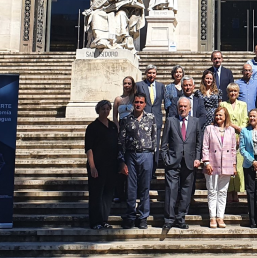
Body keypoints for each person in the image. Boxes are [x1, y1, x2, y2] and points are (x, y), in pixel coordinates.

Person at [160, 97, 203, 230]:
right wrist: (166, 159)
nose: (183, 109)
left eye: (185, 106)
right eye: (180, 106)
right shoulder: (171, 121)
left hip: (189, 162)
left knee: (186, 192)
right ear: (177, 108)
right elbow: (164, 144)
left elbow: (198, 143)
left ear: (190, 108)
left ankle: (181, 218)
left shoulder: (195, 122)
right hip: (173, 162)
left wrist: (197, 158)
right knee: (171, 191)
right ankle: (169, 219)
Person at [118, 93, 157, 229]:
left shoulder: (151, 118)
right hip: (131, 155)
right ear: (133, 103)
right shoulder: (126, 120)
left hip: (146, 155)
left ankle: (143, 217)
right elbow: (121, 142)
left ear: (145, 104)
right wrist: (121, 161)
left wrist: (153, 157)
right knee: (130, 188)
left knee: (145, 188)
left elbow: (154, 139)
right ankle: (130, 216)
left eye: (141, 102)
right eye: (136, 102)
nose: (138, 104)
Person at [85, 100, 122, 229]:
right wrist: (92, 166)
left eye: (107, 109)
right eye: (103, 109)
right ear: (98, 110)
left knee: (107, 195)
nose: (105, 111)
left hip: (111, 166)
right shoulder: (92, 127)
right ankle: (95, 221)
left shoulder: (112, 126)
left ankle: (104, 220)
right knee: (96, 194)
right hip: (97, 165)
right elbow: (89, 148)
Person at [201, 107, 237, 229]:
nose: (218, 117)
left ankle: (220, 217)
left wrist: (234, 165)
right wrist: (206, 162)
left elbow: (233, 149)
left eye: (221, 115)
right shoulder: (209, 129)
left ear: (225, 116)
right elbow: (205, 146)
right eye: (217, 115)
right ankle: (212, 217)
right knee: (212, 191)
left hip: (226, 165)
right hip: (212, 164)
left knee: (222, 192)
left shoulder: (231, 130)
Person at [221, 83, 248, 202]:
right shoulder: (223, 104)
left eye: (235, 91)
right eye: (231, 91)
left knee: (238, 165)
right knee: (227, 164)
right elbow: (222, 120)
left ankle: (236, 190)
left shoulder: (243, 105)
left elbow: (244, 121)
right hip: (226, 136)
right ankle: (228, 191)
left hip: (239, 137)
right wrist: (231, 127)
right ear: (227, 93)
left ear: (238, 93)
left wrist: (238, 132)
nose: (233, 93)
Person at [135, 65, 165, 142]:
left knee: (156, 142)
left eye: (153, 73)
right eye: (149, 73)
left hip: (156, 117)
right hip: (143, 117)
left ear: (156, 74)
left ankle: (156, 155)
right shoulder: (139, 85)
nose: (152, 75)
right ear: (146, 73)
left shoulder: (161, 86)